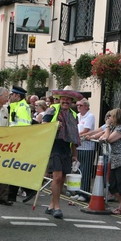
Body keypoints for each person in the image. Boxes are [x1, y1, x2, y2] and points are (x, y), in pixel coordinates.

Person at [42, 89, 81, 219]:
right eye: (63, 98)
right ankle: (57, 207)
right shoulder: (52, 110)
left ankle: (51, 205)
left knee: (62, 179)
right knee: (57, 177)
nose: (65, 101)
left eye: (68, 99)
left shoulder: (74, 115)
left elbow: (75, 136)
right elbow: (43, 126)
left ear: (72, 101)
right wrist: (54, 126)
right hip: (54, 146)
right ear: (59, 99)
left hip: (66, 148)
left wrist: (74, 155)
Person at [100, 108, 121, 215]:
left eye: (110, 116)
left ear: (116, 117)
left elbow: (109, 139)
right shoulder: (113, 128)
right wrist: (90, 137)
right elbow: (102, 136)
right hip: (116, 160)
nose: (108, 118)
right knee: (112, 185)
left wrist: (107, 126)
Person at [8, 86, 37, 204]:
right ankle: (12, 195)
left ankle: (28, 189)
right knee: (14, 168)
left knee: (15, 168)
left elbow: (24, 126)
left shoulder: (22, 108)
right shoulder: (16, 106)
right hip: (15, 141)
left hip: (19, 142)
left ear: (18, 96)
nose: (10, 97)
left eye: (12, 95)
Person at [73, 98, 96, 202]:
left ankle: (84, 193)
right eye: (77, 105)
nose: (78, 107)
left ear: (86, 106)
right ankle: (78, 191)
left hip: (87, 148)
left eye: (80, 105)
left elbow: (85, 130)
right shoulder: (77, 116)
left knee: (85, 171)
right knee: (78, 170)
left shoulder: (90, 116)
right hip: (78, 147)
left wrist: (74, 135)